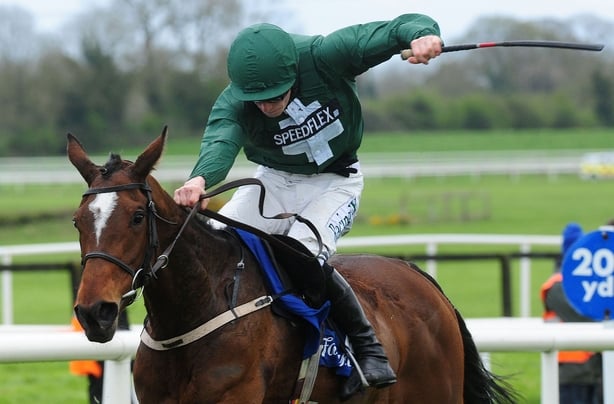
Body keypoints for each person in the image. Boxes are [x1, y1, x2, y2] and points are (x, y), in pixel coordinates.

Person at [173, 15, 443, 393]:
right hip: (274, 179)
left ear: (294, 76)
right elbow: (221, 141)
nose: (267, 107)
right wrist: (200, 179)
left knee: (298, 253)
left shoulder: (327, 55)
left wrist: (423, 36)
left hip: (334, 182)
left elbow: (394, 29)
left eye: (276, 96)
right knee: (214, 240)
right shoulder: (235, 99)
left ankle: (365, 346)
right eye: (258, 100)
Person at [540, 222, 603, 404]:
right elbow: (587, 318)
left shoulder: (580, 286)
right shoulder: (557, 286)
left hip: (592, 370)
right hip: (570, 372)